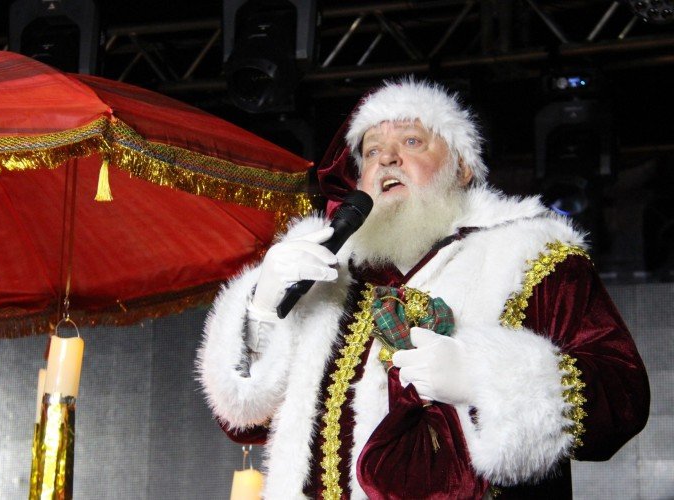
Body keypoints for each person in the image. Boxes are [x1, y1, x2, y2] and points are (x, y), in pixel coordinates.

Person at [196, 77, 649, 499]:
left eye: (411, 142)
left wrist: (487, 377)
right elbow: (244, 421)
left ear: (463, 167)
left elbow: (623, 398)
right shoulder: (328, 274)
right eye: (371, 152)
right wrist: (261, 311)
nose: (386, 160)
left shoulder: (526, 255)